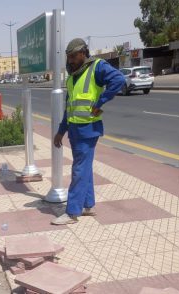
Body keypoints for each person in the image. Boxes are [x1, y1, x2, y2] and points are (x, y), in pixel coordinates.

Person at [51, 38, 125, 225]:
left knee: (79, 170)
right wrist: (61, 131)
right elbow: (69, 107)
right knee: (84, 168)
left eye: (73, 56)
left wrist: (100, 103)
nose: (70, 60)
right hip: (75, 130)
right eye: (68, 57)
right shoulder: (72, 76)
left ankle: (72, 212)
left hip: (88, 129)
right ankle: (87, 204)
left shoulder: (97, 67)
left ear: (83, 52)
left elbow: (118, 80)